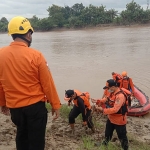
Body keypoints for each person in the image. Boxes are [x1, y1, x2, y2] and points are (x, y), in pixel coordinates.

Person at [0, 16, 61, 150]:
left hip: (15, 109)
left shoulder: (1, 54)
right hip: (34, 108)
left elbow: (1, 82)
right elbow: (47, 83)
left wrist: (3, 102)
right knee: (36, 140)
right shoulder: (36, 55)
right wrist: (55, 104)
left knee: (21, 134)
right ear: (28, 34)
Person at [94, 79, 129, 150]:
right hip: (111, 118)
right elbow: (106, 99)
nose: (107, 90)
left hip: (119, 120)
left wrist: (103, 110)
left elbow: (115, 109)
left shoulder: (120, 96)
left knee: (122, 136)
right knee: (107, 133)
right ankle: (105, 144)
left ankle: (125, 148)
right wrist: (98, 100)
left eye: (108, 88)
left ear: (113, 87)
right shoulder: (112, 93)